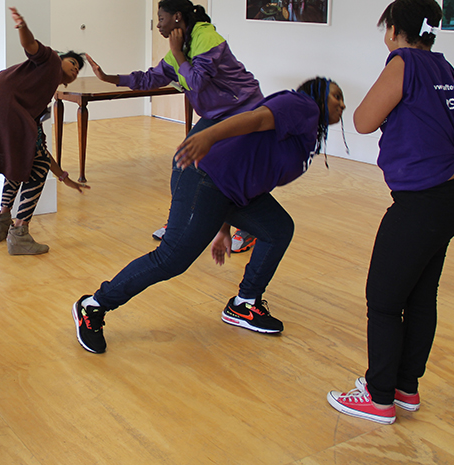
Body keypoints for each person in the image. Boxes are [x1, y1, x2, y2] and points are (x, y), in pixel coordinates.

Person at [74, 77, 346, 353]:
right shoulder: (302, 105)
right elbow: (254, 120)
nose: (342, 104)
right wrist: (208, 135)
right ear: (317, 94)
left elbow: (251, 167)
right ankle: (94, 306)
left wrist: (224, 227)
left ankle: (245, 304)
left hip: (232, 191)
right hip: (205, 177)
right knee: (172, 258)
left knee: (278, 229)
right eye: (336, 96)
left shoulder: (307, 131)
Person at [327, 0, 454, 424]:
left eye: (386, 28)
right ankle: (406, 388)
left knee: (385, 299)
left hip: (423, 203)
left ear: (394, 29)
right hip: (452, 194)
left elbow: (363, 121)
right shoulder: (441, 66)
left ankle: (379, 397)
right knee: (420, 294)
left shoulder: (403, 64)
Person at [86, 0, 263, 252]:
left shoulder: (205, 38)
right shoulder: (182, 47)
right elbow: (151, 78)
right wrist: (110, 78)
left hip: (245, 109)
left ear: (177, 17)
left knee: (234, 170)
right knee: (183, 159)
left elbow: (197, 82)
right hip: (218, 114)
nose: (158, 24)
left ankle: (248, 229)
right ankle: (178, 222)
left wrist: (178, 52)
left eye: (161, 18)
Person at [0, 7, 89, 255]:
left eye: (77, 70)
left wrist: (63, 177)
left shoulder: (39, 94)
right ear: (61, 58)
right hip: (0, 107)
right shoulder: (49, 61)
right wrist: (22, 26)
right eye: (72, 62)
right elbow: (31, 46)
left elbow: (38, 146)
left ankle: (3, 220)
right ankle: (19, 233)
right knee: (36, 167)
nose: (74, 69)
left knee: (21, 160)